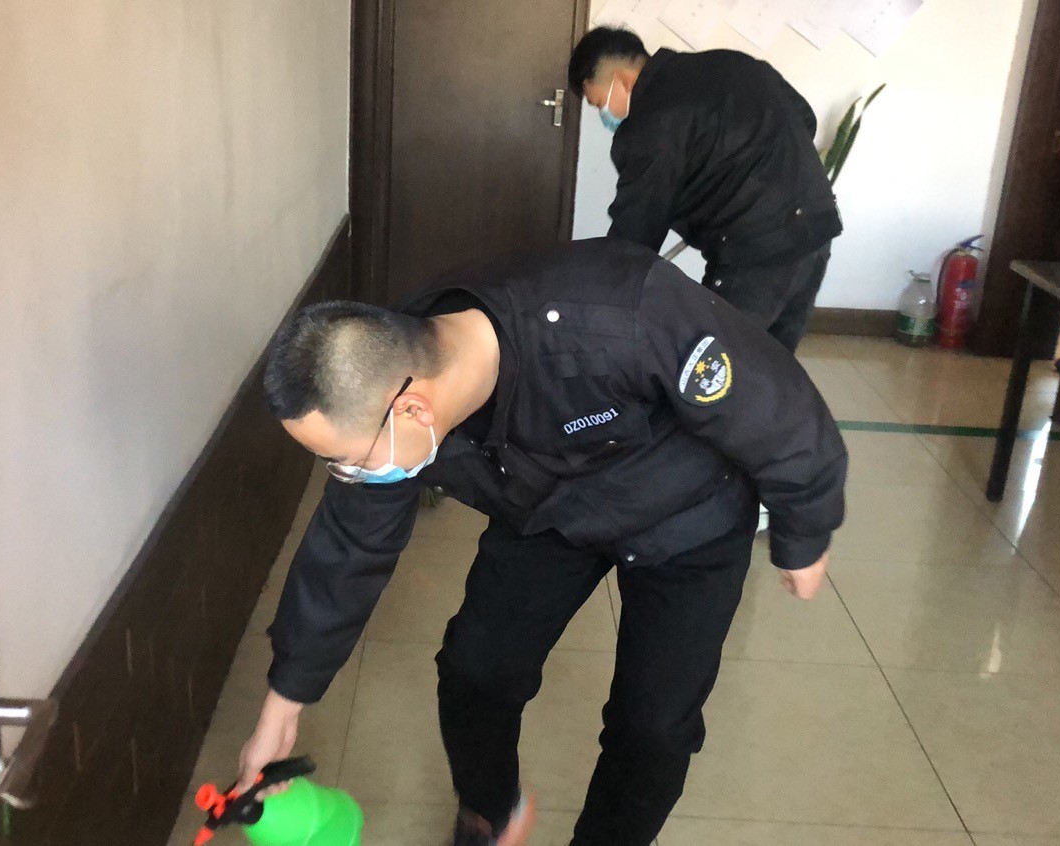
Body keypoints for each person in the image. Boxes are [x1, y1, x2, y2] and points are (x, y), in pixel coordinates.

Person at [238, 238, 847, 846]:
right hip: (547, 512)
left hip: (687, 513)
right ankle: (492, 813)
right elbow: (347, 549)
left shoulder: (619, 316)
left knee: (654, 727)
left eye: (349, 460)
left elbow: (776, 405)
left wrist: (805, 529)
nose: (350, 475)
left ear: (414, 410)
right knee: (475, 670)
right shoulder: (383, 380)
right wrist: (282, 708)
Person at [569, 27, 841, 351]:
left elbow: (636, 229)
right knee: (773, 364)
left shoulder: (648, 124)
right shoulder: (733, 63)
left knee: (713, 365)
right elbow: (805, 119)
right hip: (816, 226)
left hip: (756, 253)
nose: (603, 113)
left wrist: (595, 295)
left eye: (597, 102)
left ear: (622, 80)